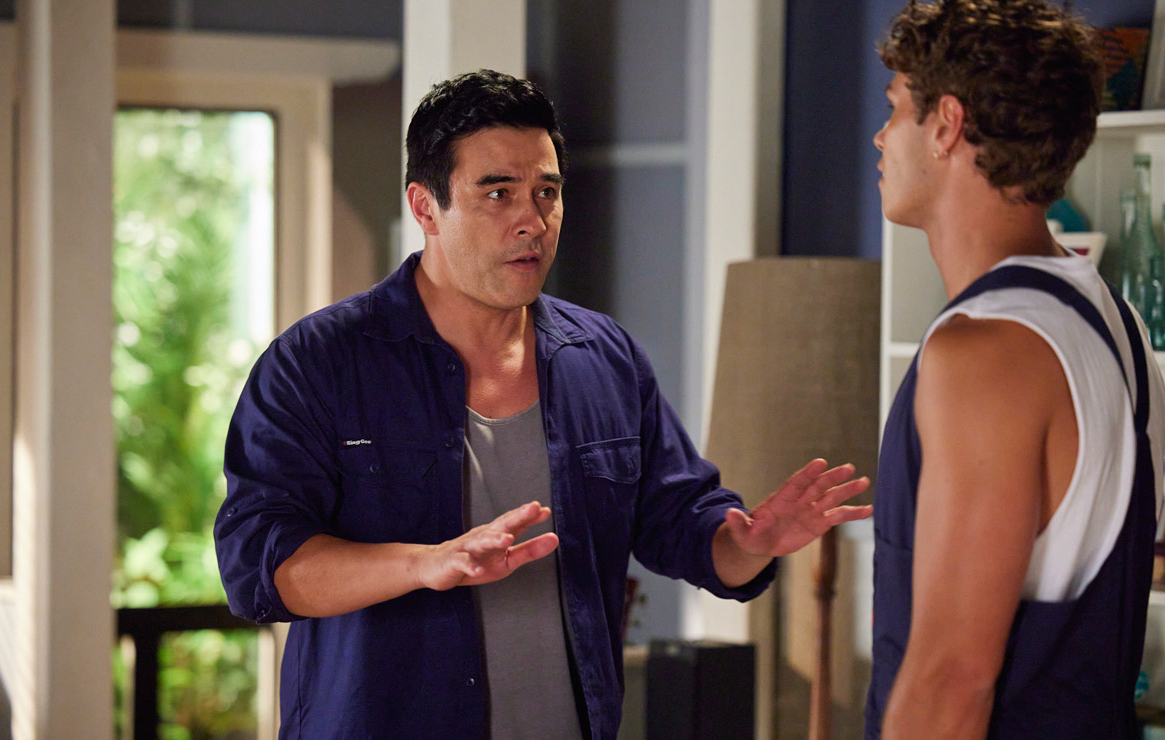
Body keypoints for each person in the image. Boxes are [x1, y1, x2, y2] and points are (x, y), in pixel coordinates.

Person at [214, 69, 871, 740]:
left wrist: (749, 542)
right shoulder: (317, 363)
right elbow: (259, 564)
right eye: (498, 193)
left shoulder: (605, 358)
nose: (532, 220)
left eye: (546, 192)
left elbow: (683, 526)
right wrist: (424, 564)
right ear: (425, 207)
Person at [867, 1, 1165, 738]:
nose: (880, 136)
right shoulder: (1117, 323)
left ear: (947, 124)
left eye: (896, 108)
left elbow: (949, 684)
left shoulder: (987, 352)